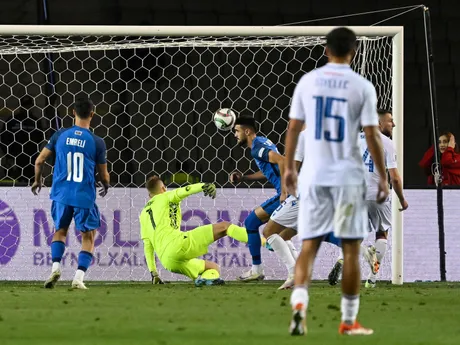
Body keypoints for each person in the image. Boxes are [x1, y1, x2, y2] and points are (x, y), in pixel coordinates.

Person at [284, 27, 389, 336]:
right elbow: (372, 136)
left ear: (326, 50)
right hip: (348, 179)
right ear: (353, 52)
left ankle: (299, 306)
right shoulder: (362, 87)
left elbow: (293, 127)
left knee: (308, 245)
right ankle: (348, 320)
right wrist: (382, 176)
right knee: (352, 250)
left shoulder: (308, 81)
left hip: (314, 177)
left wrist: (289, 169)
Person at [31, 97, 110, 290]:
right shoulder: (97, 142)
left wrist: (37, 180)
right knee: (88, 236)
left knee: (60, 231)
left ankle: (55, 267)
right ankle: (78, 278)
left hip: (61, 194)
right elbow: (103, 173)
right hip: (83, 195)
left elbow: (39, 161)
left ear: (72, 112)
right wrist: (106, 184)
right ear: (92, 114)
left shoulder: (59, 135)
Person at [328, 109, 409, 287]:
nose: (393, 124)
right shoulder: (387, 143)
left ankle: (342, 259)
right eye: (390, 121)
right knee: (382, 234)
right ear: (379, 124)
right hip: (377, 194)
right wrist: (402, 199)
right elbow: (394, 177)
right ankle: (372, 280)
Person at [139, 176, 249, 286]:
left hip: (167, 262)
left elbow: (147, 246)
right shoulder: (166, 196)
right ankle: (259, 241)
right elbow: (185, 190)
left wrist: (154, 273)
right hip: (177, 244)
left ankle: (205, 280)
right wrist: (203, 186)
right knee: (224, 227)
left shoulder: (143, 214)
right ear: (163, 188)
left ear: (149, 196)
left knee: (213, 268)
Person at [230, 116, 286, 282]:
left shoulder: (256, 147)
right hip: (294, 190)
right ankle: (358, 250)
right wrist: (244, 178)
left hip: (288, 192)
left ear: (247, 131)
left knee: (251, 223)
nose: (235, 134)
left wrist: (284, 191)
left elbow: (282, 161)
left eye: (237, 131)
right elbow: (269, 169)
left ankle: (257, 269)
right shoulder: (263, 141)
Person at [0, 95, 46, 185]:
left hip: (31, 160)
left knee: (31, 184)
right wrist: (8, 156)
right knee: (15, 185)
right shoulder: (12, 121)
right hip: (15, 160)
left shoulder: (35, 121)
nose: (27, 108)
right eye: (25, 105)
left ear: (32, 106)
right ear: (21, 106)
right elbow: (3, 138)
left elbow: (40, 139)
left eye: (28, 105)